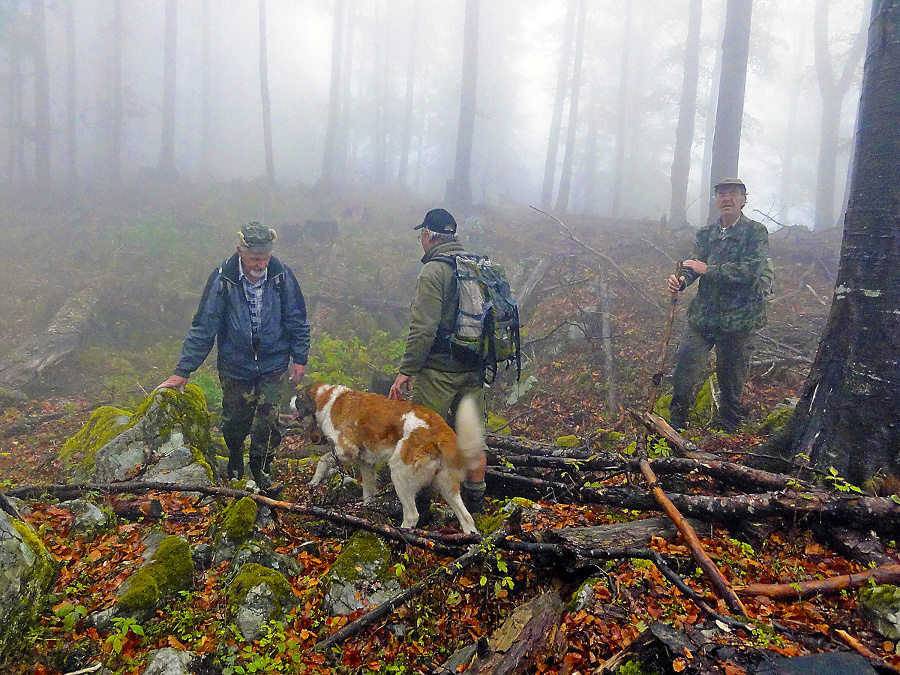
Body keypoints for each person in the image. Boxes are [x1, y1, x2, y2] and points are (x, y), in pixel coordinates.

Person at [157, 222, 310, 490]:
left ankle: (262, 469)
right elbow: (205, 325)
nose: (261, 264)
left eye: (265, 258)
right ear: (240, 251)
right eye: (255, 258)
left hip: (274, 363)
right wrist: (183, 370)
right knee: (235, 421)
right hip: (235, 365)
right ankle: (236, 460)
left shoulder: (281, 276)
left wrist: (299, 358)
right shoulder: (223, 278)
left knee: (270, 421)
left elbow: (297, 318)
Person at [388, 208, 488, 521]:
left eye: (422, 235)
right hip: (473, 367)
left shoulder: (433, 271)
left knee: (422, 438)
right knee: (471, 438)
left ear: (430, 236)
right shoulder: (476, 266)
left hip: (438, 372)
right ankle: (476, 506)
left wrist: (406, 370)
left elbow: (423, 328)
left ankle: (421, 510)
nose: (421, 241)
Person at [667, 178, 769, 433]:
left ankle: (729, 434)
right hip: (703, 317)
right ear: (715, 201)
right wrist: (681, 281)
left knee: (731, 379)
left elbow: (750, 272)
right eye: (722, 194)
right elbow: (694, 266)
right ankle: (675, 426)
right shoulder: (706, 234)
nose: (727, 199)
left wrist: (708, 270)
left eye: (734, 194)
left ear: (744, 199)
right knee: (684, 365)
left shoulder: (756, 232)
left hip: (740, 320)